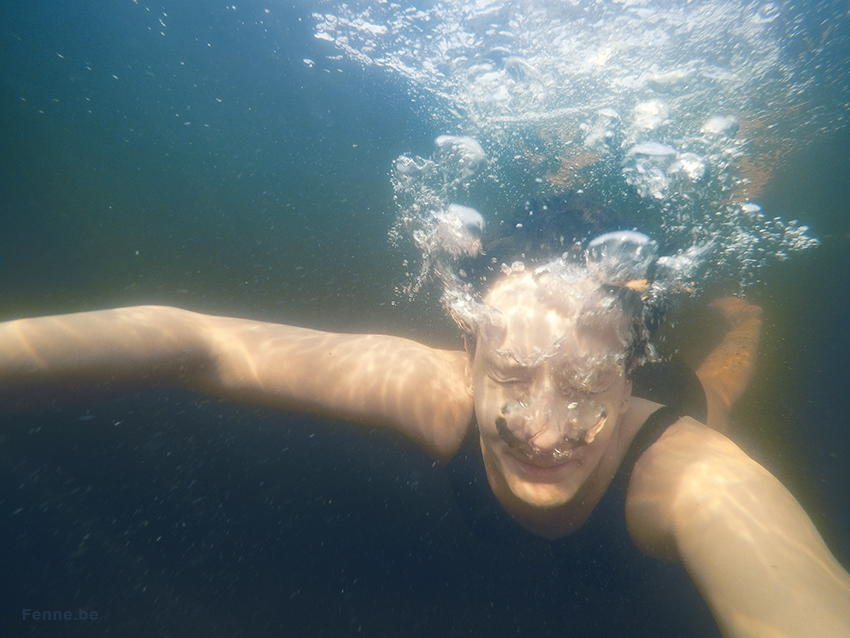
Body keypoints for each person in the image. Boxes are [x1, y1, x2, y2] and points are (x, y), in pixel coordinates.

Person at [0, 247, 848, 637]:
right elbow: (192, 340)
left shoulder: (691, 476)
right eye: (512, 377)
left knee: (721, 390)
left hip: (677, 412)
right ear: (468, 353)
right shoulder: (432, 390)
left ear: (629, 373)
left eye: (589, 385)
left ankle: (744, 322)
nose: (546, 433)